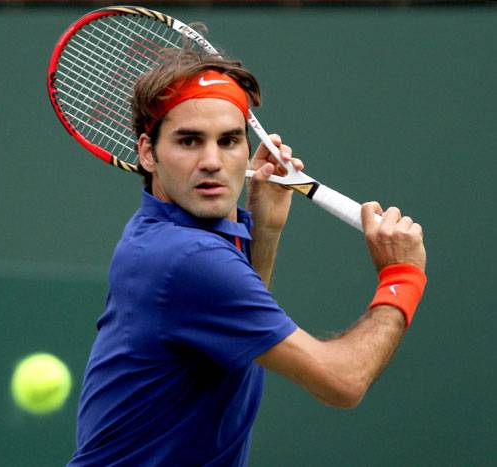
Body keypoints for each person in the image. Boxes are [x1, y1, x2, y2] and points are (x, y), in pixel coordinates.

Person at [67, 48, 427, 466]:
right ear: (148, 152)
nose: (212, 162)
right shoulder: (188, 258)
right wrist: (402, 276)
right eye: (189, 141)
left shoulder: (159, 234)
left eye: (229, 141)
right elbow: (344, 381)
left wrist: (265, 230)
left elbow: (233, 335)